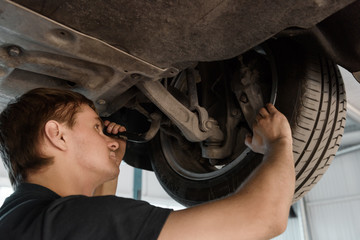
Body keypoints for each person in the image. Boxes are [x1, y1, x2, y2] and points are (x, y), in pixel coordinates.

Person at [0, 87, 295, 240]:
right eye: (95, 128)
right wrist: (278, 143)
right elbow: (264, 218)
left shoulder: (20, 216)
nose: (111, 140)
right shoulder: (65, 221)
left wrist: (108, 159)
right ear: (57, 135)